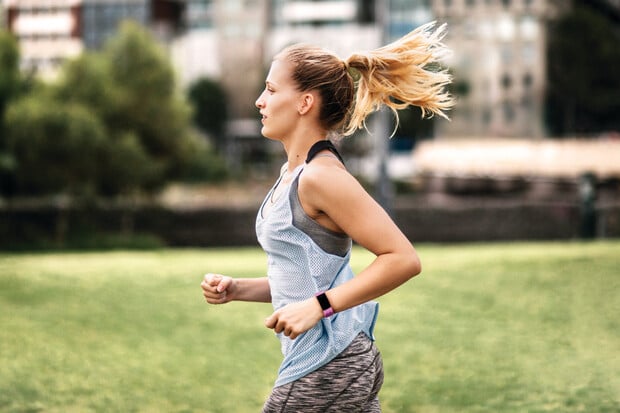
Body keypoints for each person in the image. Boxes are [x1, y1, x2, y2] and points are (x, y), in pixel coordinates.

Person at [201, 21, 453, 413]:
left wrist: (320, 306)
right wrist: (237, 289)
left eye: (270, 90)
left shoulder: (322, 177)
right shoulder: (293, 173)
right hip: (334, 361)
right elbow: (303, 279)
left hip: (328, 362)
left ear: (305, 103)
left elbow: (403, 259)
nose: (259, 102)